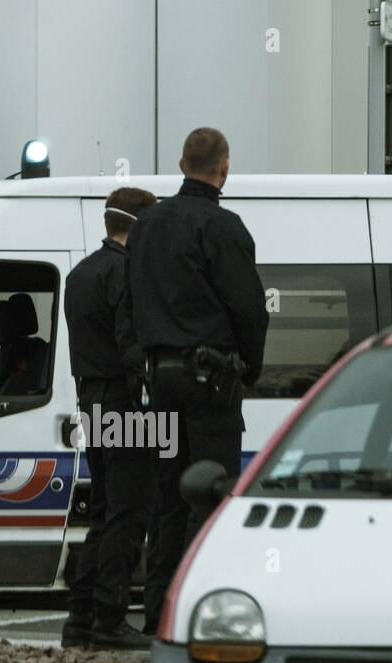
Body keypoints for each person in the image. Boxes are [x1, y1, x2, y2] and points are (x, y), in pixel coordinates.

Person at [120, 127, 268, 634]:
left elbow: (132, 302)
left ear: (182, 164)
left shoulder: (145, 227)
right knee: (208, 497)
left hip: (160, 381)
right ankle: (198, 613)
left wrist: (148, 357)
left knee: (166, 497)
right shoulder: (225, 229)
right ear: (224, 168)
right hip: (212, 383)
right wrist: (250, 366)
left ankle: (158, 614)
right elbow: (249, 309)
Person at [61, 187, 158, 650]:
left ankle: (80, 615)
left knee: (102, 510)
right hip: (126, 401)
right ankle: (111, 617)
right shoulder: (127, 275)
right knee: (130, 511)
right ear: (138, 228)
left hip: (91, 402)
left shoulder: (79, 275)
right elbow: (131, 346)